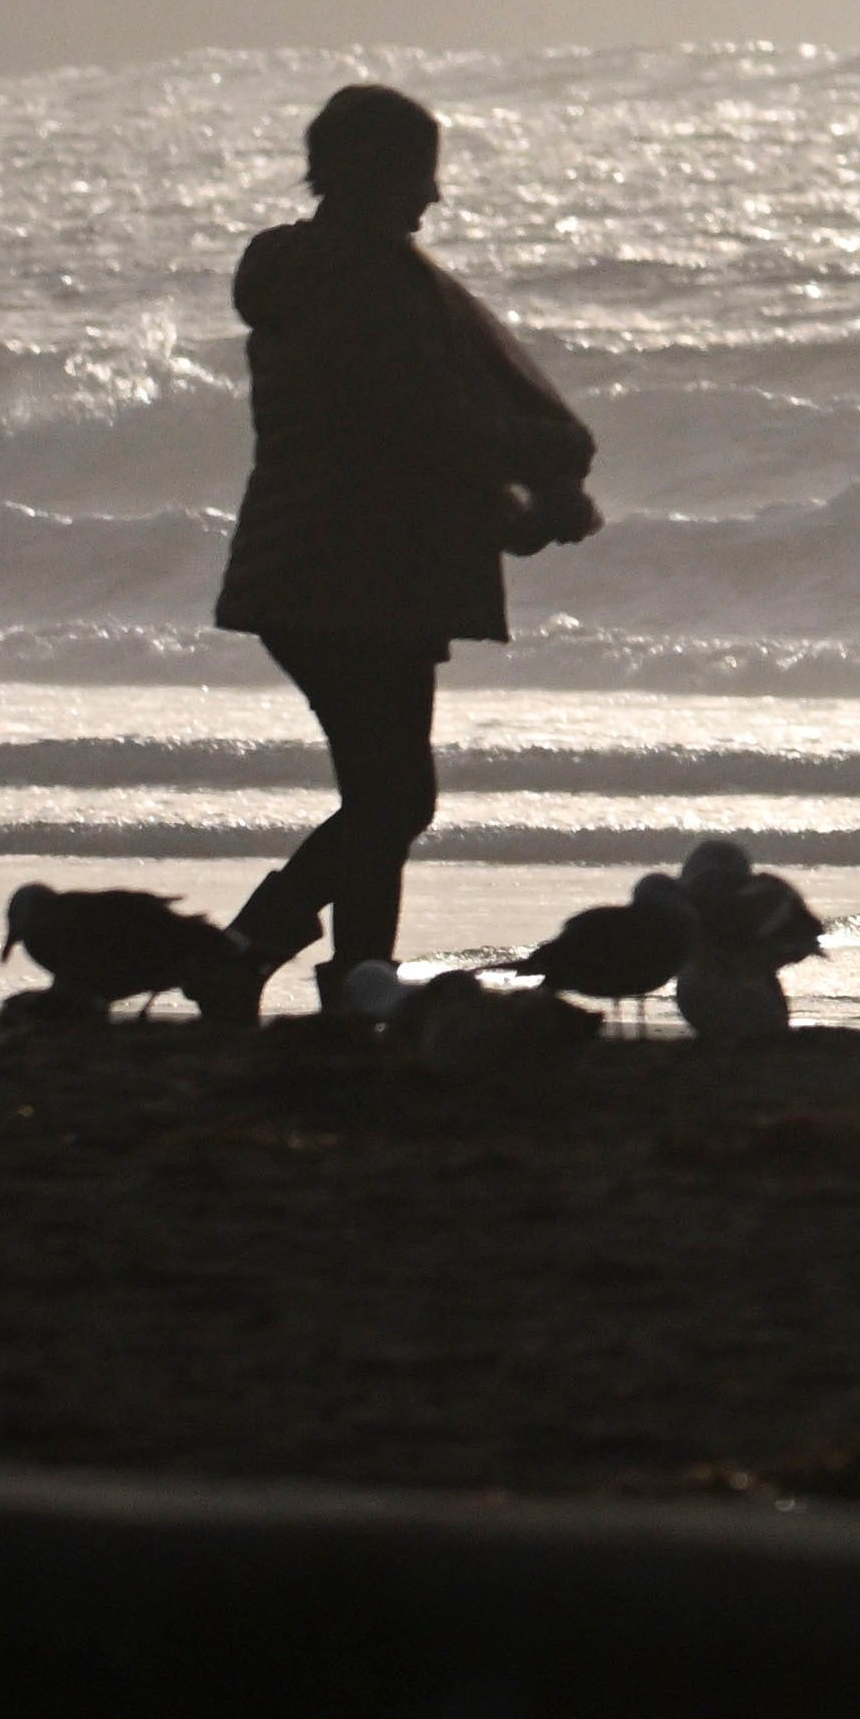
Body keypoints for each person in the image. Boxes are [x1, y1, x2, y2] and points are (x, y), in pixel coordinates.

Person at [217, 80, 601, 1020]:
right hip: (353, 574)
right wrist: (539, 478)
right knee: (392, 800)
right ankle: (244, 953)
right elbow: (432, 421)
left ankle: (354, 985)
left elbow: (411, 427)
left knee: (384, 795)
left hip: (327, 568)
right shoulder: (365, 282)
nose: (432, 197)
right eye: (420, 174)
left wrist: (521, 495)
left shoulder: (318, 274)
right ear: (374, 172)